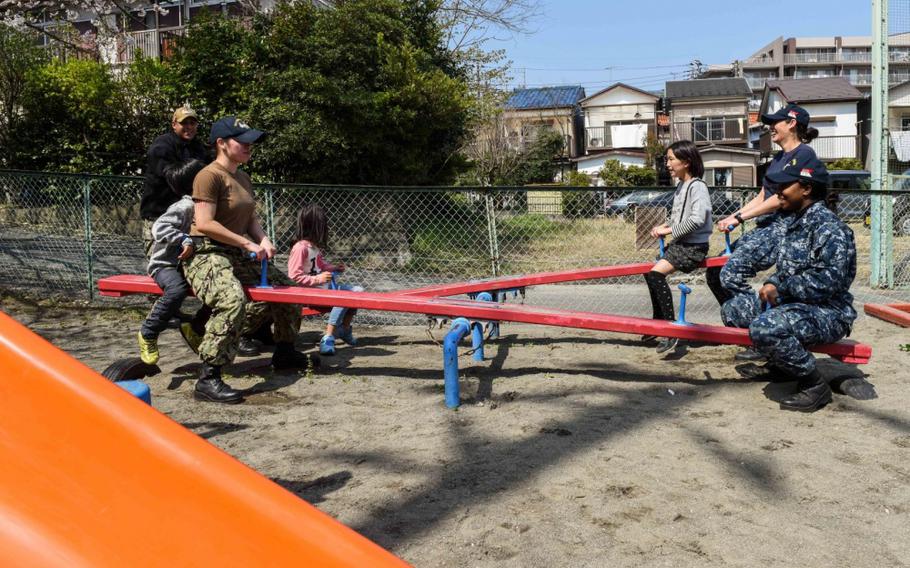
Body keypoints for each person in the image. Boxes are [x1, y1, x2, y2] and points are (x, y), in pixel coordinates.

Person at [182, 116, 317, 404]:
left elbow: (250, 218)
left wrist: (263, 238)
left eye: (250, 142)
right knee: (232, 301)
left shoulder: (242, 177)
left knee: (288, 292)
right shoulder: (209, 175)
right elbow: (204, 223)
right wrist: (247, 243)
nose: (249, 146)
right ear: (221, 143)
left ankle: (284, 351)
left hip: (236, 252)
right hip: (206, 252)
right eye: (242, 142)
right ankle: (209, 377)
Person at [721, 154, 857, 412]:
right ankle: (782, 366)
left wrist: (780, 289)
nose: (779, 192)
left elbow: (829, 281)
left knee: (765, 327)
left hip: (829, 311)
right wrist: (773, 283)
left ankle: (814, 385)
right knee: (734, 310)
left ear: (806, 189)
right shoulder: (794, 222)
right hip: (794, 303)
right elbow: (785, 270)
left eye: (785, 186)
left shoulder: (830, 228)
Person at [708, 103, 820, 361]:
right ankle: (747, 327)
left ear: (792, 123)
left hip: (786, 226)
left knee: (731, 274)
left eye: (776, 122)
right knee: (715, 271)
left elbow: (781, 199)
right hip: (766, 224)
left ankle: (763, 331)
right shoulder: (778, 158)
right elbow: (764, 195)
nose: (771, 127)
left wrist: (740, 217)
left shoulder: (804, 155)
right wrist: (734, 216)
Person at [642, 140, 712, 355]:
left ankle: (671, 329)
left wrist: (670, 231)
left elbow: (698, 219)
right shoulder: (682, 185)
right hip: (682, 243)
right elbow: (677, 217)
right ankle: (658, 323)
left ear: (687, 162)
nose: (668, 164)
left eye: (671, 159)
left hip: (693, 246)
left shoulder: (697, 186)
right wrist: (665, 226)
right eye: (667, 159)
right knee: (650, 274)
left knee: (655, 275)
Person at [137, 159, 207, 365]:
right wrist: (183, 239)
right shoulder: (185, 206)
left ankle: (195, 327)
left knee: (220, 289)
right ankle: (148, 332)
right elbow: (158, 228)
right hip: (165, 265)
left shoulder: (207, 204)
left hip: (189, 266)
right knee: (176, 290)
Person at [288, 204, 364, 356]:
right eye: (322, 225)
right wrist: (317, 279)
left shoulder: (313, 247)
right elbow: (293, 276)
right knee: (343, 298)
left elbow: (321, 265)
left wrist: (333, 268)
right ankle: (328, 337)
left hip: (323, 289)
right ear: (314, 226)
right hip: (309, 293)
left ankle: (344, 330)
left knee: (358, 292)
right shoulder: (300, 248)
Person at [140, 104, 209, 257]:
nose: (189, 127)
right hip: (159, 216)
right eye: (184, 123)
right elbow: (175, 179)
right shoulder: (162, 145)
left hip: (187, 218)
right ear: (174, 125)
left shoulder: (199, 148)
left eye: (193, 123)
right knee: (162, 264)